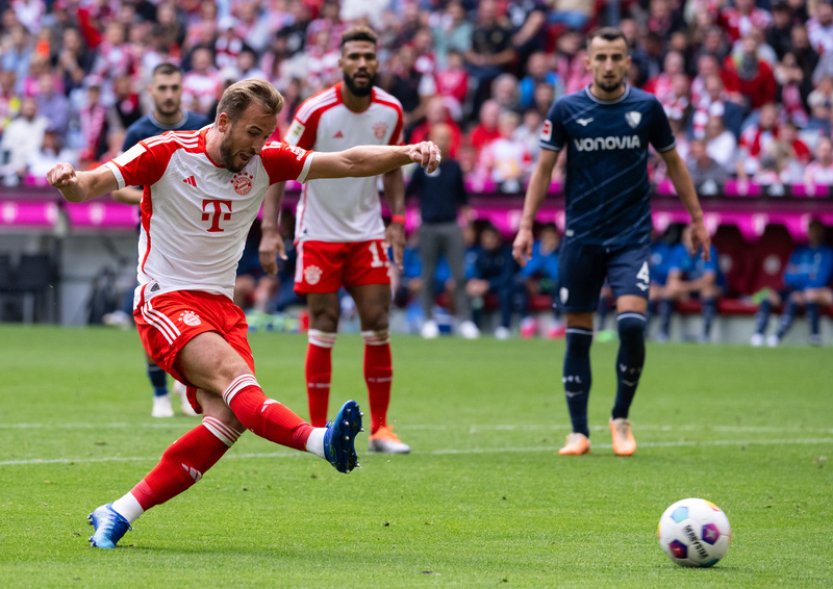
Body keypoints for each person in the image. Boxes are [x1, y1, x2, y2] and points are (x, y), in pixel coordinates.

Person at [46, 78, 441, 549]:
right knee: (239, 381)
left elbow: (350, 161)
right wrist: (69, 181)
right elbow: (90, 185)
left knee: (230, 420)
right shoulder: (164, 152)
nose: (260, 145)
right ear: (223, 121)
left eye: (267, 133)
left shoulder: (267, 160)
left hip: (223, 309)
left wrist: (409, 151)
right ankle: (322, 442)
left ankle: (120, 511)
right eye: (253, 132)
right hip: (165, 298)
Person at [512, 27, 710, 457]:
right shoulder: (566, 109)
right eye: (600, 57)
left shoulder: (646, 107)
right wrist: (527, 225)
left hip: (630, 237)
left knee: (633, 327)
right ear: (586, 61)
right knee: (578, 335)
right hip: (581, 237)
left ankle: (620, 418)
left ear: (627, 61)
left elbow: (674, 163)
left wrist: (697, 219)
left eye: (616, 57)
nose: (607, 65)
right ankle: (578, 432)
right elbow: (543, 171)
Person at [258, 26, 411, 454]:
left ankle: (381, 429)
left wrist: (396, 219)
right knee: (323, 326)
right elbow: (279, 166)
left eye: (368, 57)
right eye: (354, 57)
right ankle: (320, 431)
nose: (362, 64)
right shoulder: (315, 111)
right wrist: (270, 229)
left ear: (377, 62)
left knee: (378, 324)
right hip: (319, 233)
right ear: (341, 63)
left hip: (366, 232)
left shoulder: (392, 111)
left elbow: (395, 165)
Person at [112, 62, 210, 419]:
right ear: (150, 91)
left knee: (196, 312)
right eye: (163, 88)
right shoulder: (138, 132)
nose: (169, 94)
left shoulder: (202, 126)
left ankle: (187, 386)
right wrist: (154, 200)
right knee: (153, 316)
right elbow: (117, 186)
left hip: (197, 238)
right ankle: (158, 393)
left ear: (182, 89)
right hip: (155, 240)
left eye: (174, 87)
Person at [407, 122, 479, 340]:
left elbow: (463, 200)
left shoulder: (455, 168)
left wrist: (468, 226)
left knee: (459, 276)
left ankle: (465, 320)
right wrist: (406, 225)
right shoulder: (420, 167)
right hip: (428, 227)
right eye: (439, 137)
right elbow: (407, 195)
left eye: (447, 138)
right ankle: (428, 320)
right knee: (427, 276)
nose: (443, 142)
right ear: (431, 139)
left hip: (451, 226)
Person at [750, 219, 833, 347]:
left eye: (816, 230)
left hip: (814, 292)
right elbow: (788, 277)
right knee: (766, 295)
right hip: (792, 289)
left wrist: (801, 277)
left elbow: (821, 279)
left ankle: (777, 337)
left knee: (798, 299)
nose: (813, 233)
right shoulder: (799, 251)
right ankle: (758, 335)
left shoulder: (828, 253)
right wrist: (806, 277)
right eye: (811, 229)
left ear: (822, 232)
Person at [662, 225, 724, 343]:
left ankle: (705, 334)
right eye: (688, 239)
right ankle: (663, 333)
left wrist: (684, 288)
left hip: (714, 288)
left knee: (708, 291)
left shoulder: (709, 250)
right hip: (691, 288)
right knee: (670, 291)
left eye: (694, 239)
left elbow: (708, 280)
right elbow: (673, 280)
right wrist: (684, 289)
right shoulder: (679, 250)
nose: (691, 243)